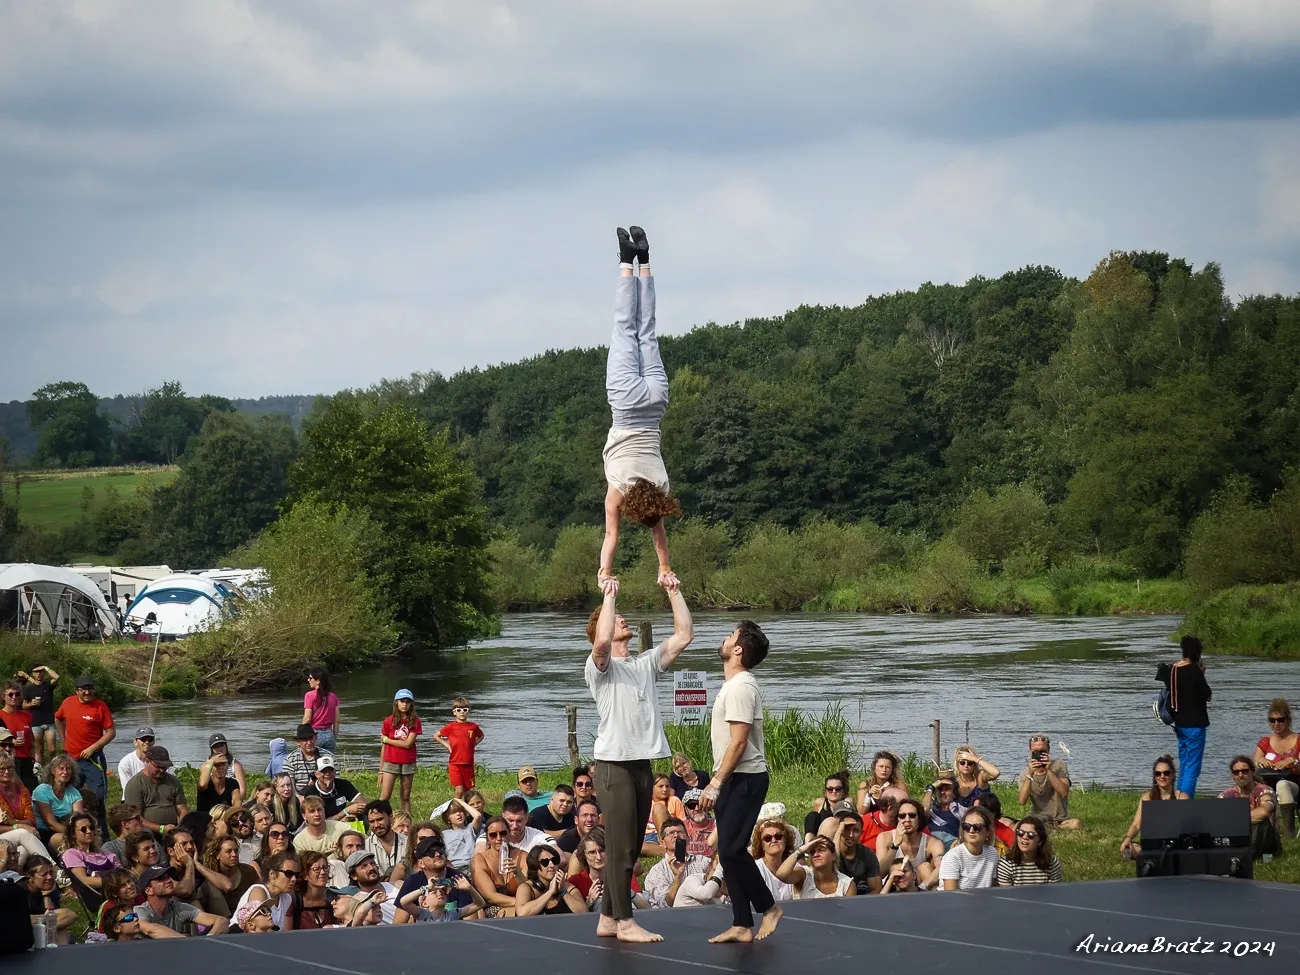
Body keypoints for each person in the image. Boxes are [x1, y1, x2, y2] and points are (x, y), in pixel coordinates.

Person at [584, 572, 694, 943]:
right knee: (621, 845)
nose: (623, 619)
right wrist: (608, 597)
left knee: (629, 844)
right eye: (617, 619)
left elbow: (684, 636)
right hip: (613, 764)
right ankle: (625, 921)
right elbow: (601, 643)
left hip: (642, 763)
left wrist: (674, 592)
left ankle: (607, 917)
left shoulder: (645, 664)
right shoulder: (600, 668)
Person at [598, 226, 681, 591]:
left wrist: (666, 565)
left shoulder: (660, 488)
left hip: (656, 401)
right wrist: (605, 572)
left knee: (647, 330)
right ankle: (625, 261)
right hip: (626, 403)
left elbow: (659, 533)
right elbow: (611, 535)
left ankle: (644, 260)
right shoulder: (618, 489)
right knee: (624, 327)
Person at [698, 618, 782, 944]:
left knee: (732, 850)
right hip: (736, 778)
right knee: (728, 849)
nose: (724, 637)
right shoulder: (735, 685)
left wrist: (716, 782)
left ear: (737, 649)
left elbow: (739, 741)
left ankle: (769, 908)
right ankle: (742, 924)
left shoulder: (740, 687)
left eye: (730, 635)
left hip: (744, 778)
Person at [54, 674, 115, 802]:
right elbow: (58, 719)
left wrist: (92, 749)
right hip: (71, 759)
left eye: (90, 689)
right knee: (70, 796)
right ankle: (73, 821)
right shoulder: (68, 702)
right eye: (83, 690)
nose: (87, 692)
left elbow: (111, 732)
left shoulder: (100, 706)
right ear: (77, 691)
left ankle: (99, 821)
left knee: (98, 797)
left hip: (93, 759)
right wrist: (62, 740)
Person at [394, 834, 479, 922]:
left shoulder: (458, 879)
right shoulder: (412, 881)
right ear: (421, 863)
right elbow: (399, 924)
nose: (438, 854)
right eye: (430, 853)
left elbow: (470, 922)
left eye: (440, 850)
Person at [1168, 634, 1212, 796]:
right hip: (1195, 724)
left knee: (1185, 763)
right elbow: (1207, 694)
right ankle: (1185, 801)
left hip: (1179, 723)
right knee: (1193, 767)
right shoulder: (1194, 670)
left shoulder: (1173, 669)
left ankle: (1179, 795)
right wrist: (1202, 673)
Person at [1120, 754, 1188, 857]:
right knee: (1128, 850)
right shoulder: (1147, 797)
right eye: (1158, 773)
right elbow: (1136, 824)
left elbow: (1188, 826)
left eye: (1166, 773)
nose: (1162, 776)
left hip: (1177, 845)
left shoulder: (1182, 798)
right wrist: (1128, 838)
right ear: (1154, 777)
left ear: (1173, 775)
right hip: (1152, 844)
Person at [136, 864, 230, 937]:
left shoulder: (179, 908)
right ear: (149, 890)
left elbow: (222, 921)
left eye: (168, 877)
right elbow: (149, 928)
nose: (169, 880)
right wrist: (185, 941)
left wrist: (208, 939)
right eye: (161, 879)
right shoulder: (141, 910)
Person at [568, 827, 648, 911]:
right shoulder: (575, 882)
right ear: (584, 855)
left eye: (602, 851)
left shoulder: (623, 875)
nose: (598, 857)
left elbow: (646, 908)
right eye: (592, 852)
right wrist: (589, 903)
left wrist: (628, 892)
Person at [874, 797, 943, 890]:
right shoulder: (885, 837)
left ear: (919, 818)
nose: (907, 819)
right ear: (897, 819)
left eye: (912, 815)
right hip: (893, 886)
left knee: (925, 867)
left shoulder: (932, 843)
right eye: (902, 816)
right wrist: (895, 846)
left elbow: (942, 868)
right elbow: (879, 874)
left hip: (920, 887)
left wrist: (922, 887)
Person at [641, 817, 712, 908]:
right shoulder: (657, 872)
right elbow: (664, 906)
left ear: (688, 839)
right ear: (663, 843)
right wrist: (677, 878)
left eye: (680, 832)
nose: (676, 835)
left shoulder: (703, 862)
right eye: (670, 833)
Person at [1254, 697, 1299, 838]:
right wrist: (1260, 760)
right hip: (1268, 784)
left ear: (1288, 720)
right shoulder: (1265, 742)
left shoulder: (1298, 740)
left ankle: (1289, 832)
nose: (1276, 724)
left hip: (1294, 783)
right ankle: (1265, 830)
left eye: (1280, 720)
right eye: (1272, 720)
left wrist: (1293, 761)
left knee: (1282, 785)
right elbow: (1254, 763)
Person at [1219, 756, 1280, 858]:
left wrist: (1235, 820)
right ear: (1233, 776)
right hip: (1240, 836)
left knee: (1261, 822)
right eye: (1236, 772)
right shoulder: (1227, 794)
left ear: (1252, 772)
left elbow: (1264, 812)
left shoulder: (1265, 790)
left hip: (1267, 842)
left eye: (1245, 771)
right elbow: (1214, 813)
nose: (1240, 775)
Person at [1016, 734, 1080, 829]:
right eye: (1036, 752)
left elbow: (1064, 792)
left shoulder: (1059, 766)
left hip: (1059, 818)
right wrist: (1030, 774)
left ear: (1048, 751)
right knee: (1018, 826)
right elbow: (1022, 801)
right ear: (1030, 752)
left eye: (1043, 751)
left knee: (1076, 823)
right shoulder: (1024, 774)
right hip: (1037, 817)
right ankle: (1047, 828)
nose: (1039, 755)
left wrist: (1049, 770)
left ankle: (1050, 828)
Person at [124, 746, 189, 832]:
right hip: (145, 832)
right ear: (147, 761)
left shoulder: (174, 782)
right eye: (158, 766)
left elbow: (183, 809)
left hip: (173, 830)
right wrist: (161, 829)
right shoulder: (135, 785)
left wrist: (181, 826)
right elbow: (135, 818)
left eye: (165, 767)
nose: (162, 770)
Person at [377, 689, 422, 815]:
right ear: (396, 702)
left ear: (411, 704)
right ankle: (380, 819)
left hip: (408, 762)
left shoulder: (415, 721)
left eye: (408, 702)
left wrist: (387, 740)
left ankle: (408, 824)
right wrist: (381, 770)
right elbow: (383, 748)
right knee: (385, 796)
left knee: (406, 797)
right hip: (390, 761)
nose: (404, 704)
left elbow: (408, 744)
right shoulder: (388, 721)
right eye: (402, 701)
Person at [0, 754, 49, 867]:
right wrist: (19, 826)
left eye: (10, 768)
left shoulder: (23, 791)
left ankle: (17, 878)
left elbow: (31, 821)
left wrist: (14, 822)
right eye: (2, 768)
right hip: (4, 836)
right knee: (23, 833)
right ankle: (52, 867)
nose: (7, 772)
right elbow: (26, 826)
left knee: (24, 849)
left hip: (19, 838)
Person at [515, 844, 588, 916]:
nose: (552, 865)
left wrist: (563, 892)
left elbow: (584, 912)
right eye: (545, 862)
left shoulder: (567, 887)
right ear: (535, 866)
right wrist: (550, 892)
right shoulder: (526, 888)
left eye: (554, 860)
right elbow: (522, 913)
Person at [195, 835, 259, 917]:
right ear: (218, 855)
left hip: (248, 918)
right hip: (224, 922)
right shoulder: (212, 877)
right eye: (228, 851)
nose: (234, 854)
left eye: (236, 851)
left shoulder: (248, 871)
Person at [232, 851, 297, 931]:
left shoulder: (287, 898)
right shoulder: (258, 890)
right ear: (272, 874)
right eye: (289, 874)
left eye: (296, 875)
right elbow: (260, 929)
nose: (294, 879)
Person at [774, 834, 855, 898]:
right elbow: (781, 875)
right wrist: (801, 850)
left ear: (833, 855)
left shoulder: (846, 884)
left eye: (821, 850)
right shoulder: (804, 875)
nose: (816, 854)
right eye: (812, 852)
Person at [471, 815, 520, 918]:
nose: (499, 838)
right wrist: (522, 902)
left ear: (509, 834)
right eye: (493, 835)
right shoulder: (479, 860)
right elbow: (491, 897)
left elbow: (530, 887)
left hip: (519, 906)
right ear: (487, 838)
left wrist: (518, 873)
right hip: (492, 908)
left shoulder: (522, 856)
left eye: (503, 833)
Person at [32, 753, 84, 851]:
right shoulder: (41, 791)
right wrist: (75, 835)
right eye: (61, 768)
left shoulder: (74, 793)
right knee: (67, 840)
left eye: (68, 769)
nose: (65, 772)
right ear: (53, 771)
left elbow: (79, 819)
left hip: (69, 831)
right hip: (44, 832)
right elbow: (51, 824)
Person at [434, 696, 483, 799]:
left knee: (469, 791)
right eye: (459, 710)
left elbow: (481, 735)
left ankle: (466, 810)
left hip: (468, 764)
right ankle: (456, 808)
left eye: (465, 710)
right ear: (454, 712)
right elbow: (436, 736)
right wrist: (447, 745)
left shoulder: (473, 727)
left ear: (468, 711)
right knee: (459, 790)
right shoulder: (451, 727)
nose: (462, 712)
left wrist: (475, 743)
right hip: (455, 763)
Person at [821, 810, 881, 894]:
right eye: (847, 829)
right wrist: (838, 832)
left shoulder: (867, 854)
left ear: (861, 833)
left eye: (855, 830)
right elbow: (831, 865)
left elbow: (876, 889)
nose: (851, 835)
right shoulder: (830, 852)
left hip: (861, 899)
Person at [939, 807, 999, 890]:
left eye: (977, 827)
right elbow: (950, 895)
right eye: (966, 826)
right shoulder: (953, 857)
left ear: (988, 831)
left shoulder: (992, 853)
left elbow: (991, 887)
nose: (971, 830)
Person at [336, 850, 400, 924]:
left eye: (372, 863)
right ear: (354, 876)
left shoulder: (396, 885)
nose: (371, 868)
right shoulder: (358, 901)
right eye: (364, 866)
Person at [997, 814, 1063, 885]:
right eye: (1021, 833)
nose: (1025, 837)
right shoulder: (1006, 863)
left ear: (1040, 841)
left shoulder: (1051, 862)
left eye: (1031, 835)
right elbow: (1006, 894)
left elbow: (1053, 892)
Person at [25, 858, 78, 944]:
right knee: (60, 927)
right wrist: (48, 920)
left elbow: (54, 914)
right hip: (26, 932)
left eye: (51, 873)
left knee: (68, 917)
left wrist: (46, 895)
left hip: (42, 927)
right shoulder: (21, 892)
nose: (49, 877)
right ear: (30, 878)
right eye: (44, 874)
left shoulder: (52, 887)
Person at [61, 810, 118, 891]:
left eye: (91, 828)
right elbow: (83, 880)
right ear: (73, 834)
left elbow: (124, 874)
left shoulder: (107, 855)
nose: (89, 831)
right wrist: (116, 882)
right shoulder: (72, 854)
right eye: (83, 829)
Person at [17, 664, 59, 768]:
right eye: (36, 671)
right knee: (38, 749)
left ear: (44, 673)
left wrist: (45, 667)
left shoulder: (48, 685)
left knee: (52, 749)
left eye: (41, 671)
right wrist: (31, 704)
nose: (39, 673)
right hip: (36, 722)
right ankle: (41, 770)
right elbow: (23, 705)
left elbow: (56, 677)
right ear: (33, 673)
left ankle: (51, 767)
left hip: (49, 721)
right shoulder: (28, 689)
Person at [749, 815, 798, 902]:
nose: (774, 840)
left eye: (778, 836)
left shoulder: (795, 866)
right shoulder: (755, 869)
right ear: (762, 845)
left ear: (785, 841)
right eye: (767, 838)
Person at [303, 755, 365, 821]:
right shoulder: (310, 792)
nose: (327, 774)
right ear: (316, 774)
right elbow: (318, 821)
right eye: (323, 771)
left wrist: (352, 815)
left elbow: (364, 803)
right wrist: (345, 812)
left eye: (330, 770)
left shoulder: (344, 784)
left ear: (334, 772)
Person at [1, 681, 36, 789]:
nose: (14, 697)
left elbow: (31, 737)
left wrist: (33, 756)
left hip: (26, 759)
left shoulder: (26, 715)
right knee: (16, 791)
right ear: (3, 696)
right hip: (9, 760)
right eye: (10, 694)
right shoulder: (1, 716)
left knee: (32, 790)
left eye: (17, 694)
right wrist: (11, 742)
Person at [364, 799, 408, 883]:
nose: (376, 825)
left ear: (391, 818)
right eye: (372, 821)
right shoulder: (365, 846)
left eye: (380, 819)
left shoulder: (407, 843)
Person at [293, 851, 336, 930]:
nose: (323, 872)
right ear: (305, 874)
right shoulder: (294, 900)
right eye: (316, 869)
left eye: (325, 867)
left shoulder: (334, 896)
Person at [804, 771, 851, 841]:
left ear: (843, 791)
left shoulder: (847, 802)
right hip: (820, 836)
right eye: (830, 789)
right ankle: (808, 844)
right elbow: (813, 823)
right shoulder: (820, 803)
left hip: (839, 837)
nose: (834, 791)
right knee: (812, 816)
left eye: (838, 789)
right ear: (825, 792)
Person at [439, 796, 483, 870]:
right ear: (448, 818)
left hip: (471, 866)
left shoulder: (470, 828)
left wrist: (461, 802)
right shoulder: (443, 834)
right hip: (455, 868)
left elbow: (478, 816)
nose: (458, 814)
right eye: (454, 812)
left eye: (460, 811)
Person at [284, 724, 330, 796]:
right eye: (305, 739)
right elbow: (288, 785)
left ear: (315, 738)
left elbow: (335, 780)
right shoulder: (290, 760)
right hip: (300, 796)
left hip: (324, 794)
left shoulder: (328, 757)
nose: (309, 742)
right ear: (298, 742)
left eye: (311, 738)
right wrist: (299, 798)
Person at [303, 668, 340, 754]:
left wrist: (302, 736)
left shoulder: (309, 695)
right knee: (328, 764)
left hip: (314, 734)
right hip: (329, 734)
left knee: (312, 763)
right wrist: (334, 737)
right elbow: (337, 721)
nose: (308, 680)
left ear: (318, 681)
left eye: (310, 678)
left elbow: (307, 719)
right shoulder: (333, 697)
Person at [951, 744, 999, 810]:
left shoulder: (980, 777)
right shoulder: (953, 783)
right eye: (962, 763)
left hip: (983, 817)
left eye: (970, 763)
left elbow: (996, 773)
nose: (966, 765)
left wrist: (975, 758)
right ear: (957, 764)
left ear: (974, 764)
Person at [922, 774, 960, 848]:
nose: (942, 792)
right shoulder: (930, 811)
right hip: (932, 842)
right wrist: (931, 788)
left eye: (947, 789)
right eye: (940, 789)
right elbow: (924, 809)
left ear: (954, 794)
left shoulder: (959, 811)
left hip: (952, 843)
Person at [116, 727, 155, 796]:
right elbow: (128, 789)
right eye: (143, 739)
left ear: (154, 742)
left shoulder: (160, 760)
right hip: (132, 798)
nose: (147, 742)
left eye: (150, 739)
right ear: (135, 742)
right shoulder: (125, 763)